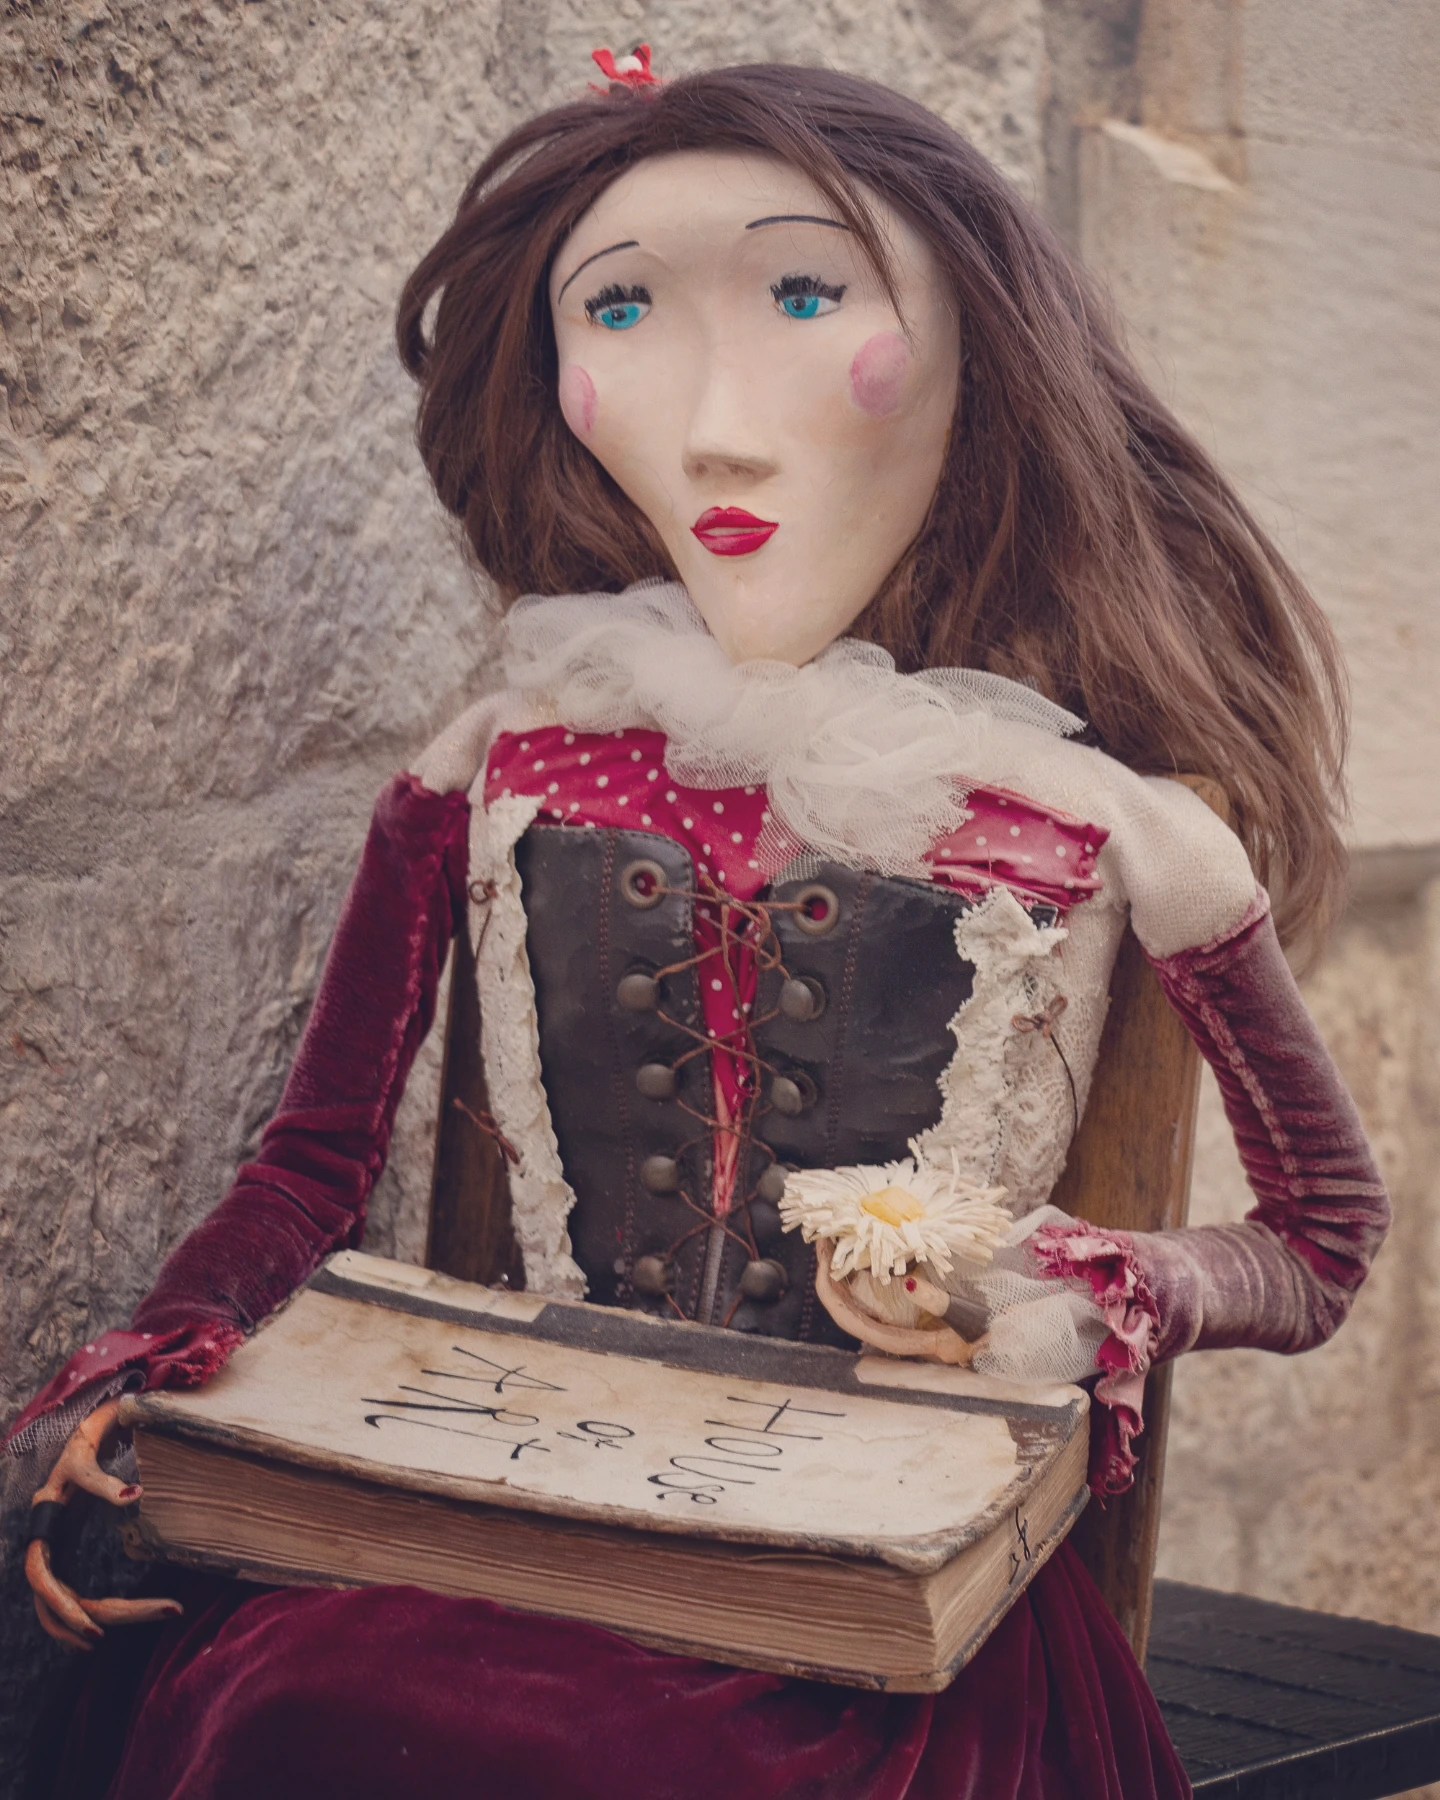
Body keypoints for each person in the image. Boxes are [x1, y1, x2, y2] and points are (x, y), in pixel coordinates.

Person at [8, 57, 1389, 1800]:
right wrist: (157, 1375)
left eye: (808, 292)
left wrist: (1080, 1291)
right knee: (293, 1712)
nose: (719, 421)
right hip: (512, 1501)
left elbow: (1325, 1236)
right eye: (627, 310)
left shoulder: (1122, 830)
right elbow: (313, 1162)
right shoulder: (496, 762)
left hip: (890, 1576)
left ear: (985, 346)